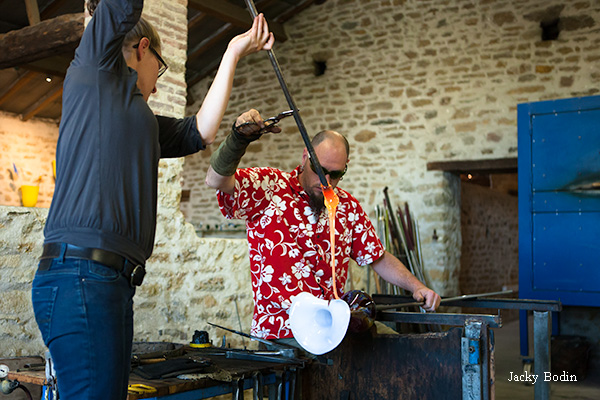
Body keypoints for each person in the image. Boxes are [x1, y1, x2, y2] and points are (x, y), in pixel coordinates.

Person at [30, 0, 274, 399]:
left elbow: (201, 132)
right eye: (158, 69)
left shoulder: (137, 119)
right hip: (81, 275)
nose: (157, 83)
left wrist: (231, 52)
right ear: (142, 48)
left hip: (110, 282)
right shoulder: (93, 72)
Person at [205, 109, 442, 342]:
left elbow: (376, 256)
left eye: (336, 174)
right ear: (305, 157)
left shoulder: (346, 206)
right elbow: (214, 180)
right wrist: (238, 139)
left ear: (345, 167)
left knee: (396, 348)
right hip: (283, 332)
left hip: (331, 330)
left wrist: (417, 286)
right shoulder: (269, 188)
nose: (326, 181)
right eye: (320, 170)